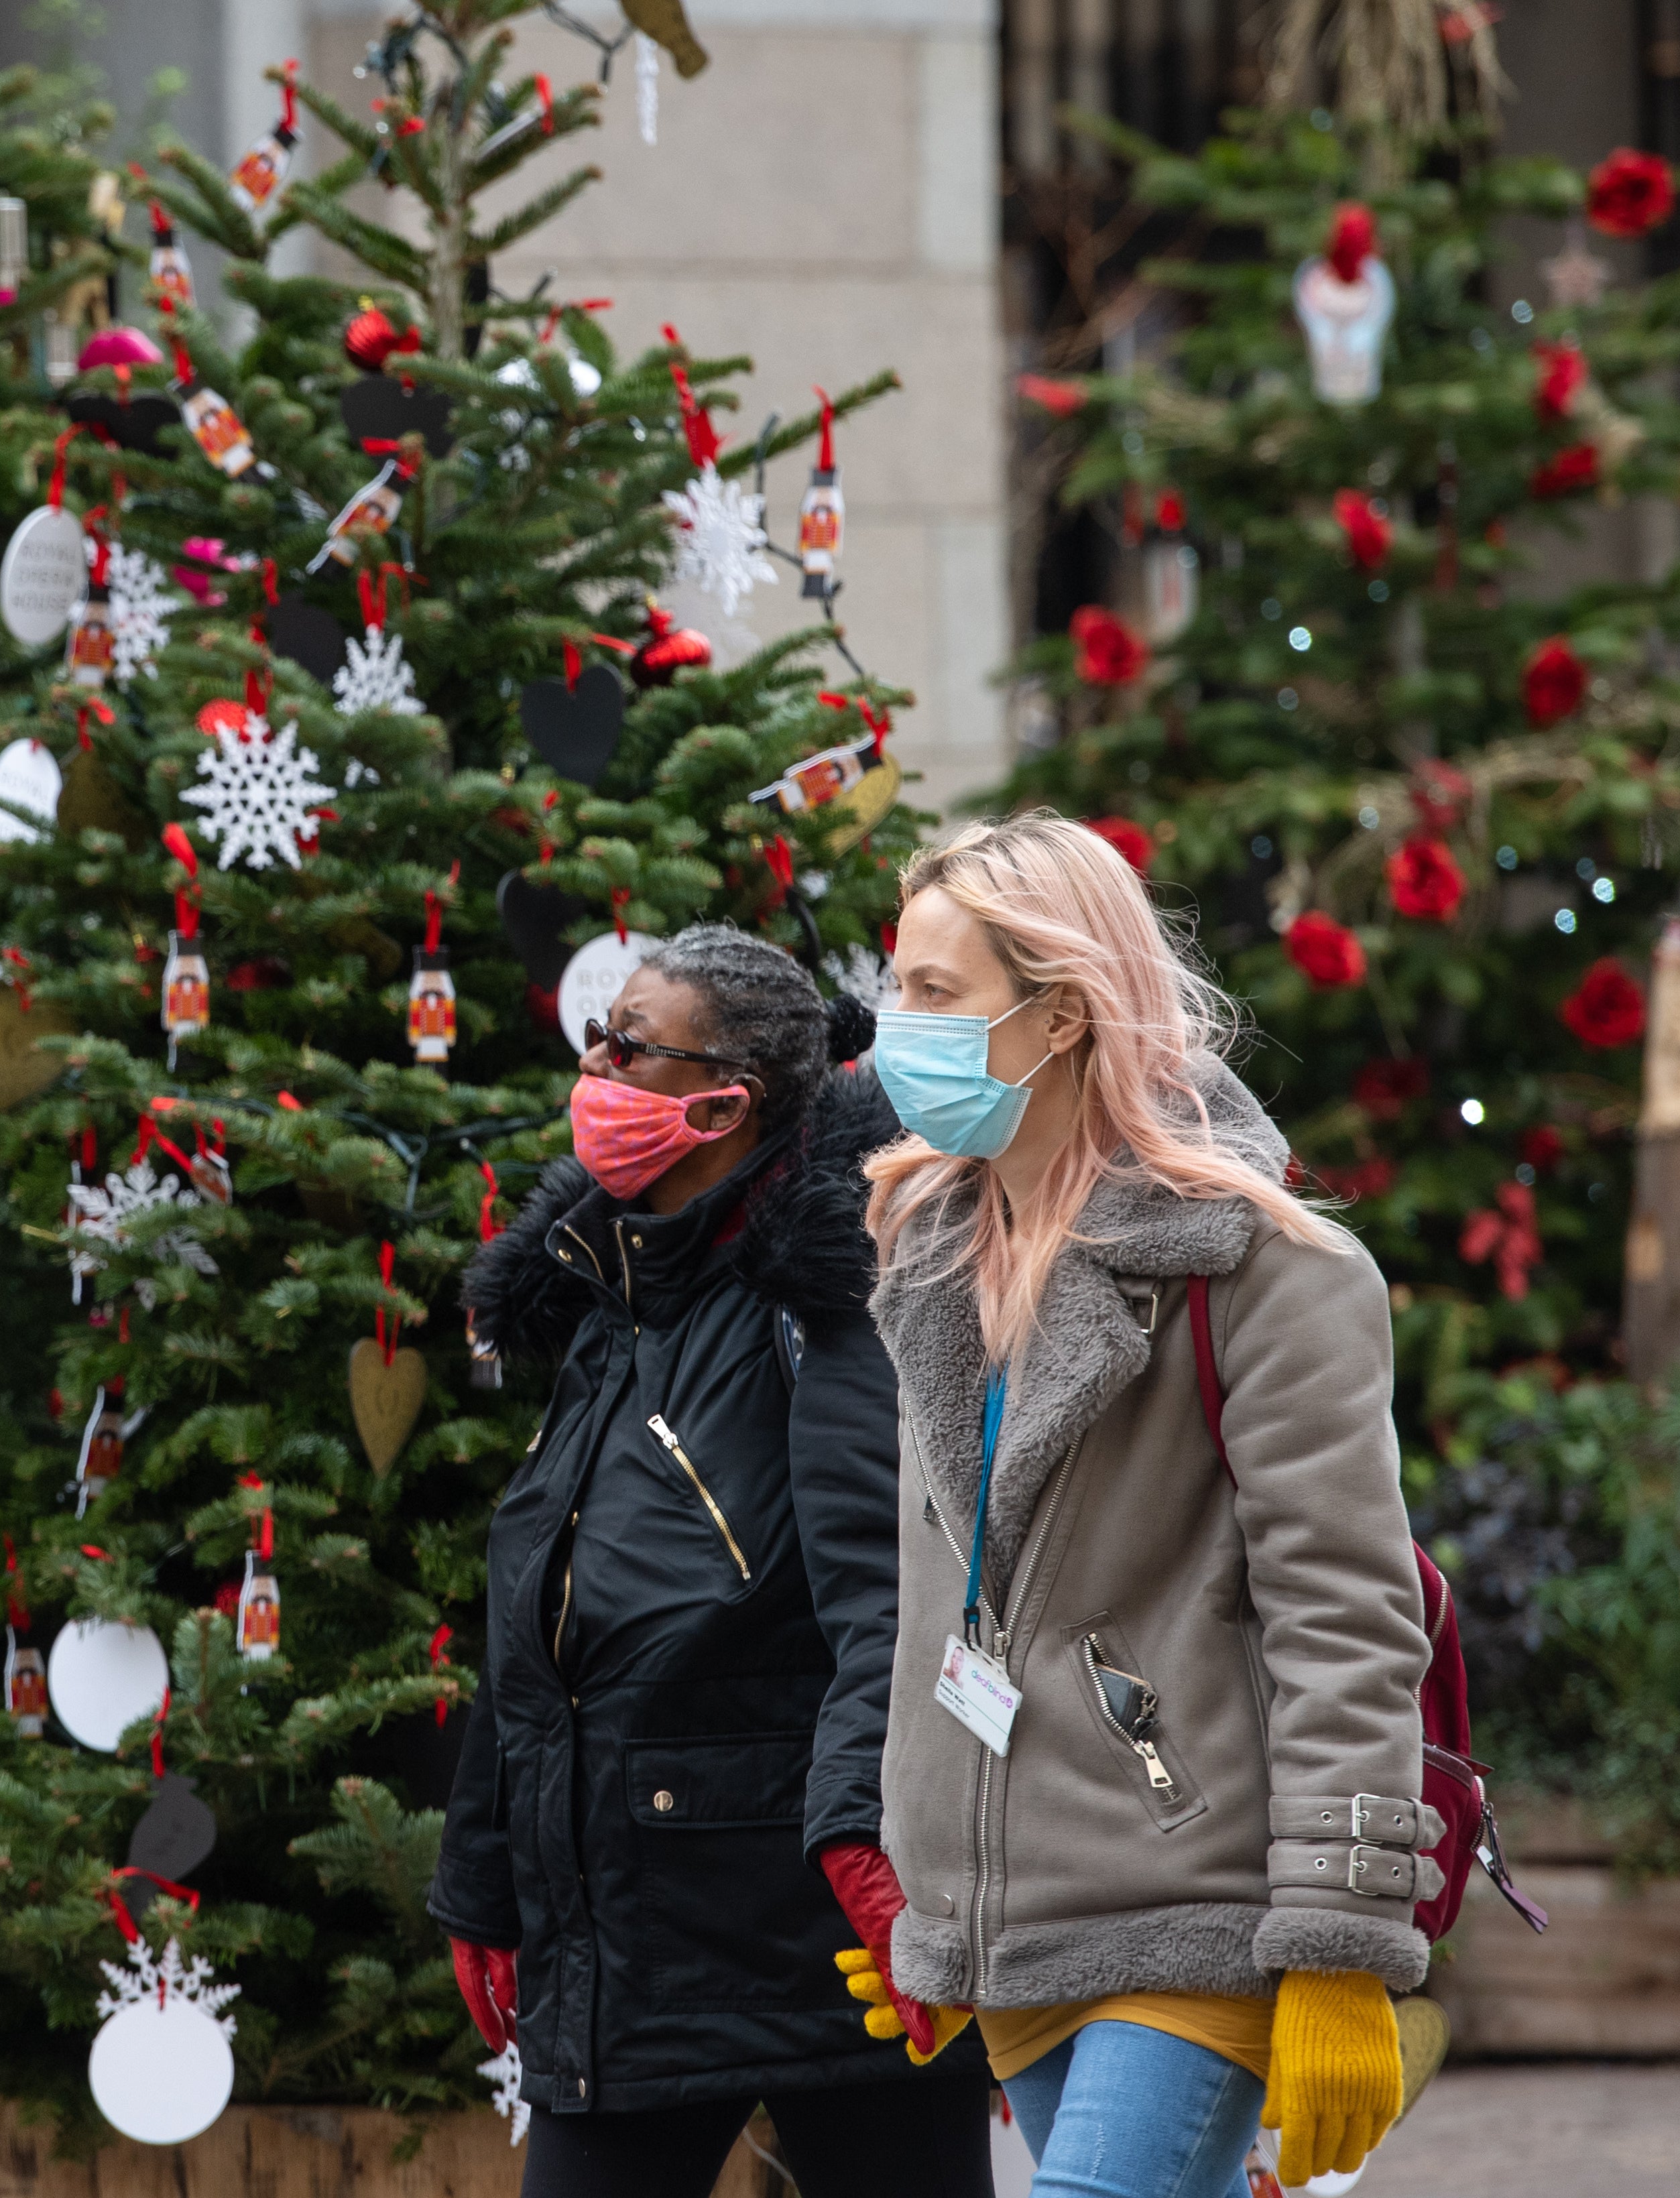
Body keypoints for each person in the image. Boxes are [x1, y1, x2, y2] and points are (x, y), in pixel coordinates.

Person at [846, 816, 1431, 2197]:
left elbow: (1348, 1624)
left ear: (1056, 1014)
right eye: (895, 983)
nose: (892, 1026)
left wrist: (1341, 1948)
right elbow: (930, 1605)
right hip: (1017, 1924)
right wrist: (928, 1893)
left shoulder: (1272, 1271)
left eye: (935, 992)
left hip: (1198, 1905)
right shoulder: (926, 1251)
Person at [428, 923, 993, 2198]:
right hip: (630, 1923)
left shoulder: (828, 1296)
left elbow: (887, 1602)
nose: (598, 1069)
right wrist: (482, 1884)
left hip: (818, 1934)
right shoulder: (609, 1292)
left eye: (634, 1047)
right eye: (598, 1038)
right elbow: (537, 1620)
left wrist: (868, 1855)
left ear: (726, 1103)